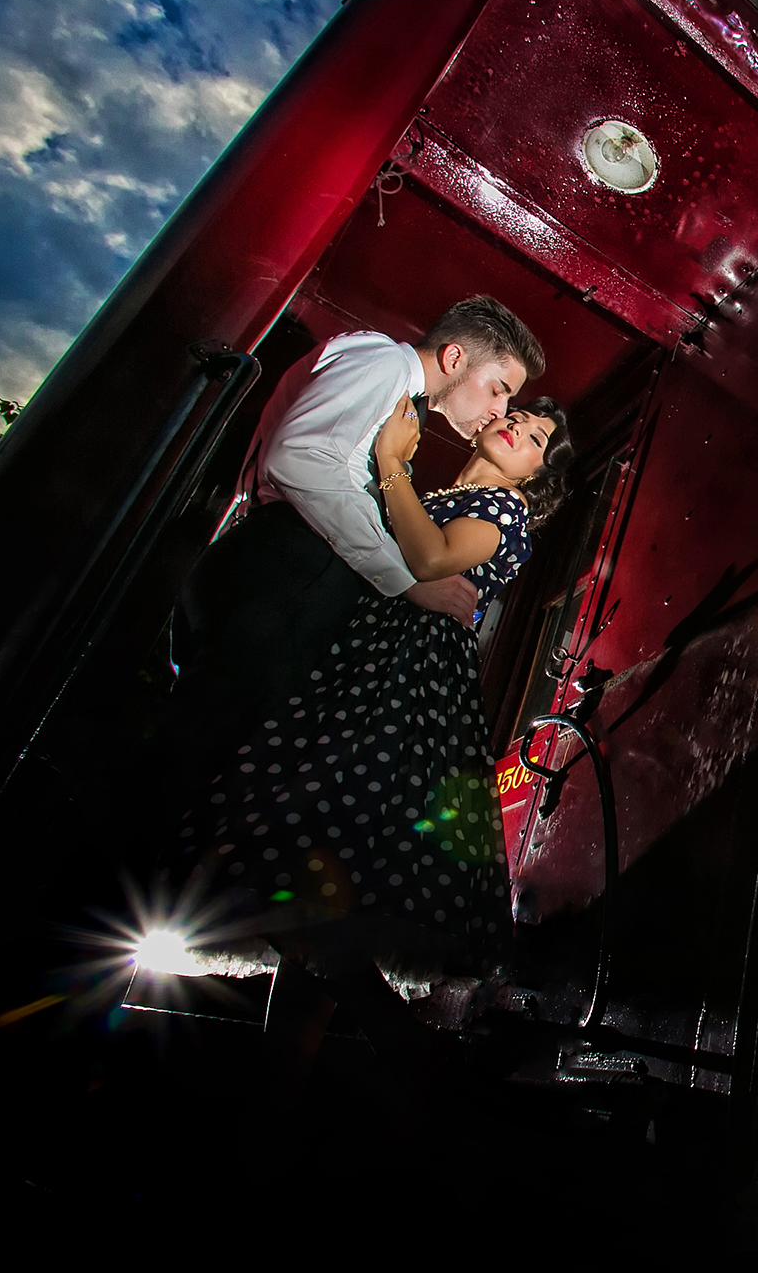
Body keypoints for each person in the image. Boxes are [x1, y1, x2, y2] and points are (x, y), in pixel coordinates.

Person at [163, 395, 574, 1099]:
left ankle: (405, 1052)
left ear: (535, 476)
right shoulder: (444, 493)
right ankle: (281, 1108)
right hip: (359, 667)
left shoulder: (502, 513)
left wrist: (390, 461)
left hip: (399, 687)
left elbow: (431, 554)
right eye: (520, 417)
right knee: (317, 883)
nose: (518, 429)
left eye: (536, 439)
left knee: (307, 861)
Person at [147, 295, 546, 824]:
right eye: (500, 389)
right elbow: (300, 458)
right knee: (190, 763)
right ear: (454, 360)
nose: (499, 410)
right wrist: (402, 581)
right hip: (289, 570)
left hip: (284, 570)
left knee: (211, 751)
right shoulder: (383, 363)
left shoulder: (393, 393)